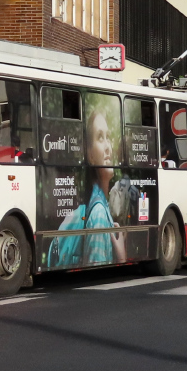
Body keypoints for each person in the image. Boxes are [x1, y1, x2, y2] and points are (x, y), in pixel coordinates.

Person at [49, 110, 127, 268]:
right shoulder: (98, 214)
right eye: (100, 137)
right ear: (90, 156)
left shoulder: (99, 207)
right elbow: (97, 270)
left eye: (108, 137)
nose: (108, 148)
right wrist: (122, 258)